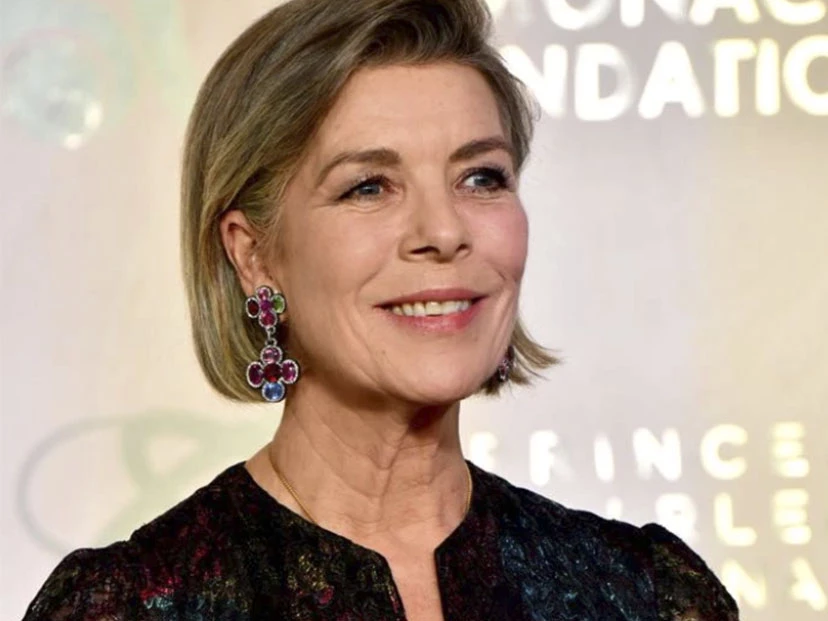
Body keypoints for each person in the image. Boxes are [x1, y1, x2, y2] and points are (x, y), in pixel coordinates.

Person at [24, 0, 739, 619]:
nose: (444, 231)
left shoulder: (650, 593)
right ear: (253, 254)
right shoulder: (130, 604)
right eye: (368, 186)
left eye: (481, 178)